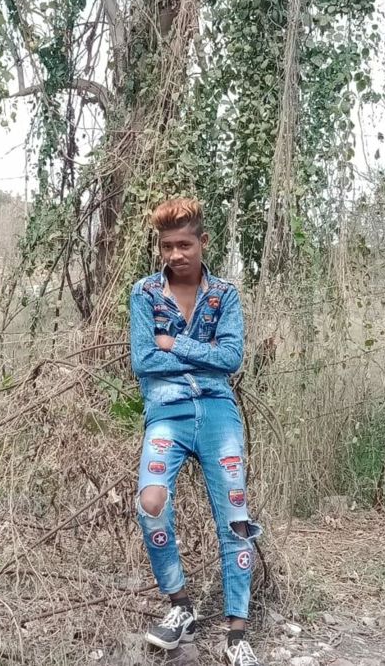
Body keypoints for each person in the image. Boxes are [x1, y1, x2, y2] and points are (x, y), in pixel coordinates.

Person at [129, 198, 264, 666]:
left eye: (184, 245)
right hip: (167, 411)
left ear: (203, 242)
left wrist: (174, 343)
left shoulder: (224, 295)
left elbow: (231, 358)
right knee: (150, 503)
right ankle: (180, 607)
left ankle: (236, 634)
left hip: (217, 411)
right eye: (167, 246)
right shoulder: (145, 294)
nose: (175, 255)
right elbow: (143, 360)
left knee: (235, 518)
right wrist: (198, 353)